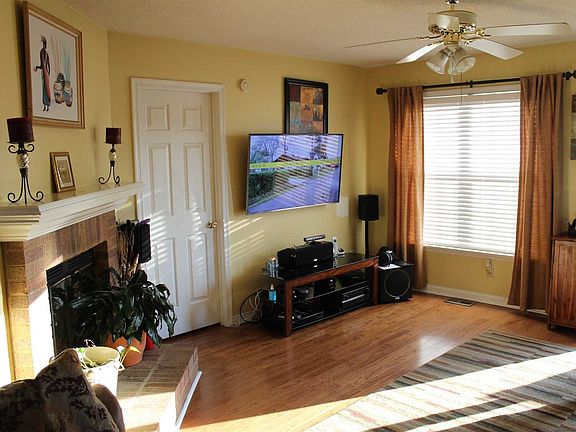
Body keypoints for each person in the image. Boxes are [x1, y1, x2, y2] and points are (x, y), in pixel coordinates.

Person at [34, 35, 51, 111]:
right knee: (46, 88)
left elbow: (43, 65)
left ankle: (45, 105)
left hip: (44, 73)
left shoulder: (42, 52)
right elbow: (48, 66)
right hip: (46, 73)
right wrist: (48, 73)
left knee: (44, 89)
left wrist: (37, 67)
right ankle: (46, 105)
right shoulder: (46, 53)